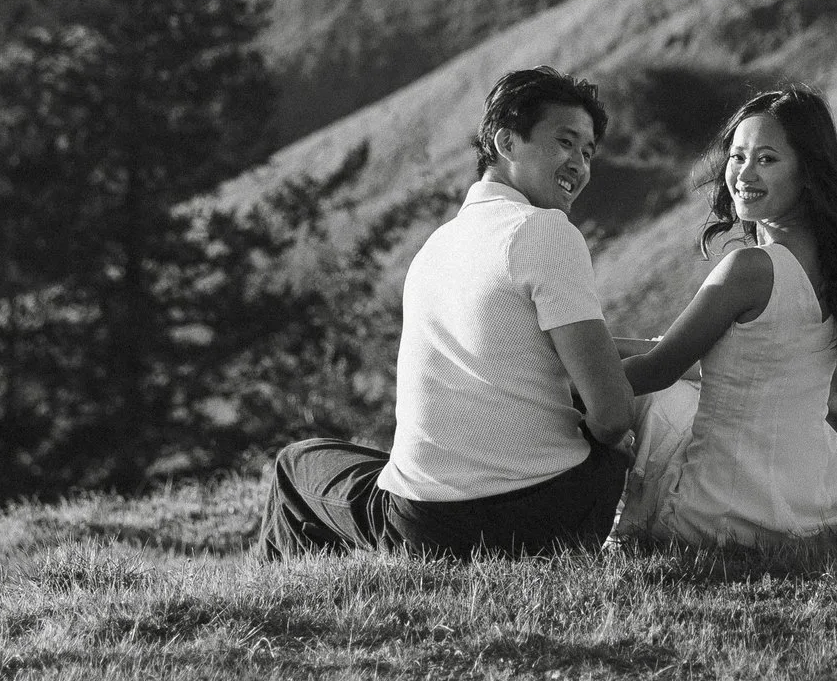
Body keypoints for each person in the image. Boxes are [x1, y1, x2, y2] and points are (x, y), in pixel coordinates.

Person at [258, 66, 633, 558]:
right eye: (565, 142)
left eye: (588, 152)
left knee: (296, 463)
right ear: (506, 142)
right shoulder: (544, 230)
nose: (579, 164)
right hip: (546, 518)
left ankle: (298, 606)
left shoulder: (437, 247)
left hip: (429, 523)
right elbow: (613, 415)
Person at [614, 85, 837, 546]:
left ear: (808, 172)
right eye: (738, 156)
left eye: (767, 159)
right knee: (678, 392)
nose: (743, 174)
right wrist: (594, 345)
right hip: (813, 493)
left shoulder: (750, 268)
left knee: (656, 402)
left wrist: (561, 380)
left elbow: (658, 369)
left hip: (719, 510)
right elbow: (712, 356)